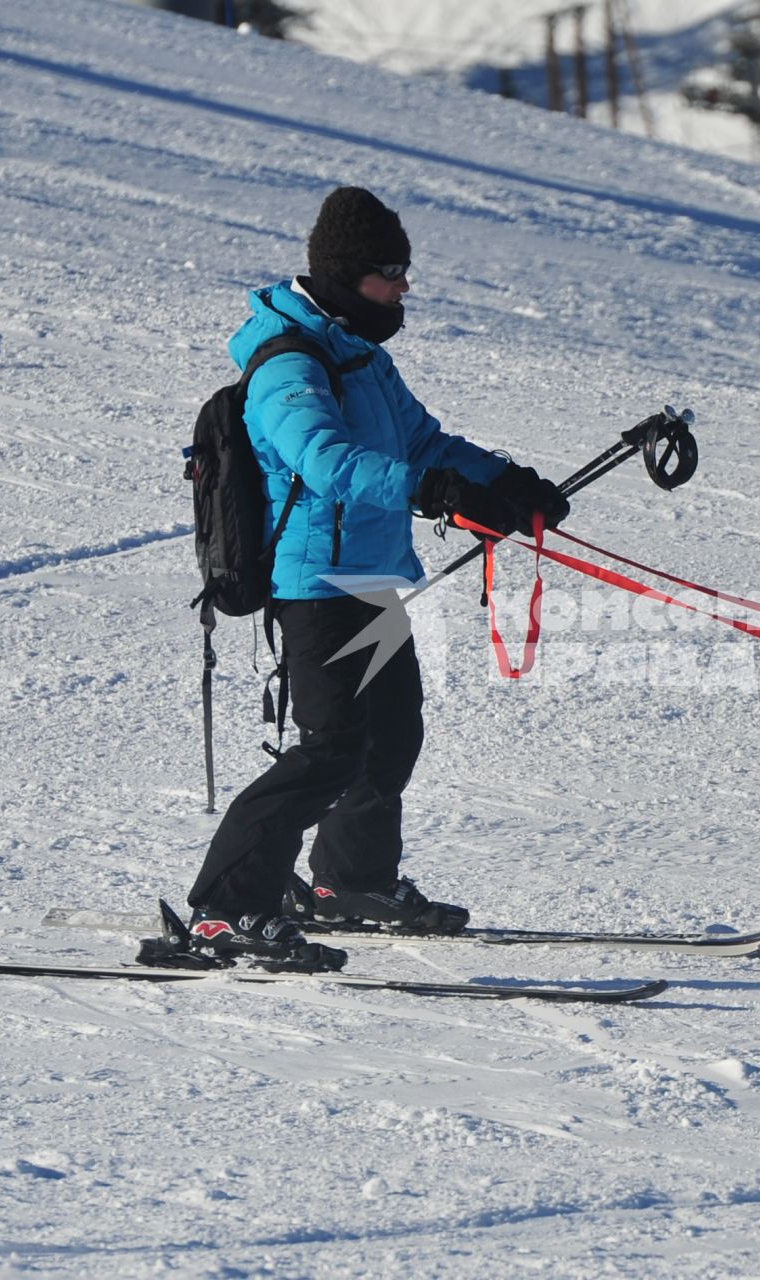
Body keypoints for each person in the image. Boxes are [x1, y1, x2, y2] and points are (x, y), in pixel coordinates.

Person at [184, 186, 569, 967]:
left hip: (370, 577)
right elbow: (323, 461)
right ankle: (225, 908)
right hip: (314, 581)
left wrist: (506, 481)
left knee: (391, 737)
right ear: (341, 274)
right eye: (388, 274)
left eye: (404, 271)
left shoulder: (362, 355)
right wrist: (431, 492)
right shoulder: (288, 362)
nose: (403, 288)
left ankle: (349, 882)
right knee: (330, 748)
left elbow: (423, 441)